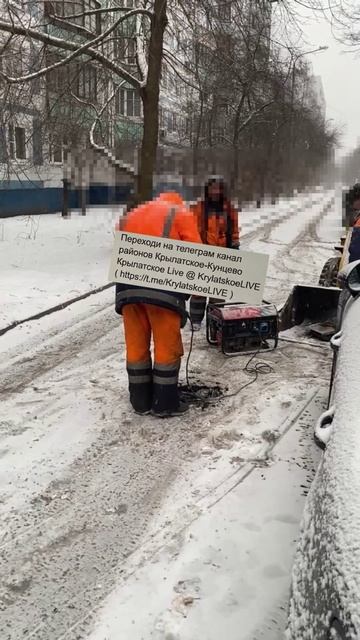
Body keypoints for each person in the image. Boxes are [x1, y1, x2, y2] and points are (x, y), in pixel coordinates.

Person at [115, 191, 202, 418]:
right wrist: (195, 290)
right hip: (163, 291)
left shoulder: (132, 214)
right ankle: (164, 403)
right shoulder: (180, 213)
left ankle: (140, 401)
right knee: (166, 346)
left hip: (128, 290)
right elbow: (196, 253)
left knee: (136, 345)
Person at [189, 176, 240, 330]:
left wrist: (235, 244)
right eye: (213, 188)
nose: (216, 192)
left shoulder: (229, 208)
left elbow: (235, 229)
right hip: (202, 252)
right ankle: (196, 320)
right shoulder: (198, 208)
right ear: (207, 190)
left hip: (222, 253)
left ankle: (215, 321)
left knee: (218, 291)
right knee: (199, 290)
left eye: (219, 188)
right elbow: (191, 229)